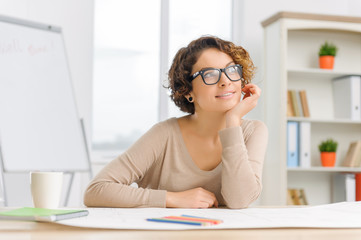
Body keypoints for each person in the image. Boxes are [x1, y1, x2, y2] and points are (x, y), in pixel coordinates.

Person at [84, 36, 268, 209]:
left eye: (231, 70)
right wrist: (172, 198)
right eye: (210, 74)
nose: (226, 80)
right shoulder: (164, 134)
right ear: (187, 91)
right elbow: (97, 190)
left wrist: (233, 121)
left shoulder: (253, 131)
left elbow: (239, 200)